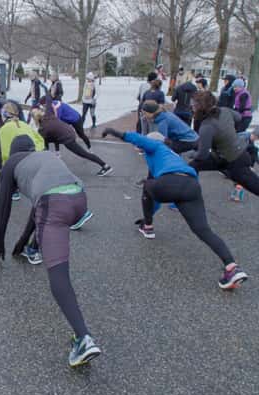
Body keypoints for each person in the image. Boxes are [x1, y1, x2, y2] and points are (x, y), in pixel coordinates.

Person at [0, 135, 102, 367]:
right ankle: (32, 246)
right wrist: (21, 239)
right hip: (79, 198)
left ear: (13, 151)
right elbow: (39, 205)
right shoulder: (45, 155)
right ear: (32, 147)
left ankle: (83, 339)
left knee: (59, 274)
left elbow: (4, 206)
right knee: (47, 215)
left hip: (54, 204)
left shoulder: (11, 163)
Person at [103, 128, 248, 290]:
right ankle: (232, 267)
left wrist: (115, 132)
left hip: (169, 183)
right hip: (191, 186)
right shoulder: (169, 157)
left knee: (147, 185)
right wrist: (149, 214)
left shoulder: (157, 147)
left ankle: (148, 227)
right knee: (203, 230)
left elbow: (138, 140)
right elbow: (156, 197)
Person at [189, 91, 259, 198]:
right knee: (193, 166)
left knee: (256, 187)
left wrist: (194, 154)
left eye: (193, 105)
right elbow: (238, 117)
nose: (192, 107)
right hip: (223, 158)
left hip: (237, 161)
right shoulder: (225, 111)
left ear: (201, 108)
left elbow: (202, 155)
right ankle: (190, 194)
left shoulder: (207, 126)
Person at [32, 91, 112, 177]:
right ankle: (49, 160)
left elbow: (41, 142)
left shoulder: (43, 129)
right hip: (68, 131)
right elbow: (48, 99)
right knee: (46, 140)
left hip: (67, 138)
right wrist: (47, 92)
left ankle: (105, 166)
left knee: (83, 154)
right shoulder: (49, 114)